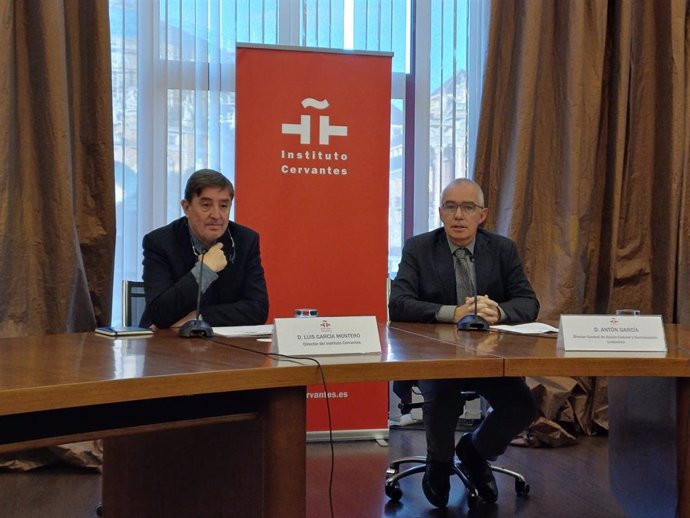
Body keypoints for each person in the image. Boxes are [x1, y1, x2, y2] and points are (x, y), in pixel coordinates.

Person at [388, 178, 538, 507]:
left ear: (481, 215)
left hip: (488, 356)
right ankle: (438, 464)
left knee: (522, 406)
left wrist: (498, 310)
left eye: (468, 207)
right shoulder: (419, 247)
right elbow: (398, 303)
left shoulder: (501, 249)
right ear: (441, 213)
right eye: (451, 207)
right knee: (442, 397)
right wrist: (451, 313)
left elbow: (528, 303)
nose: (459, 215)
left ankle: (474, 451)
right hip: (434, 356)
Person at [140, 169, 269, 329]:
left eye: (223, 206)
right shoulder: (160, 242)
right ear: (186, 207)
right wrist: (204, 270)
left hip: (225, 348)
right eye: (206, 205)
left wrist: (200, 317)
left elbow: (258, 309)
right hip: (167, 343)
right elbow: (160, 313)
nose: (216, 215)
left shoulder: (245, 240)